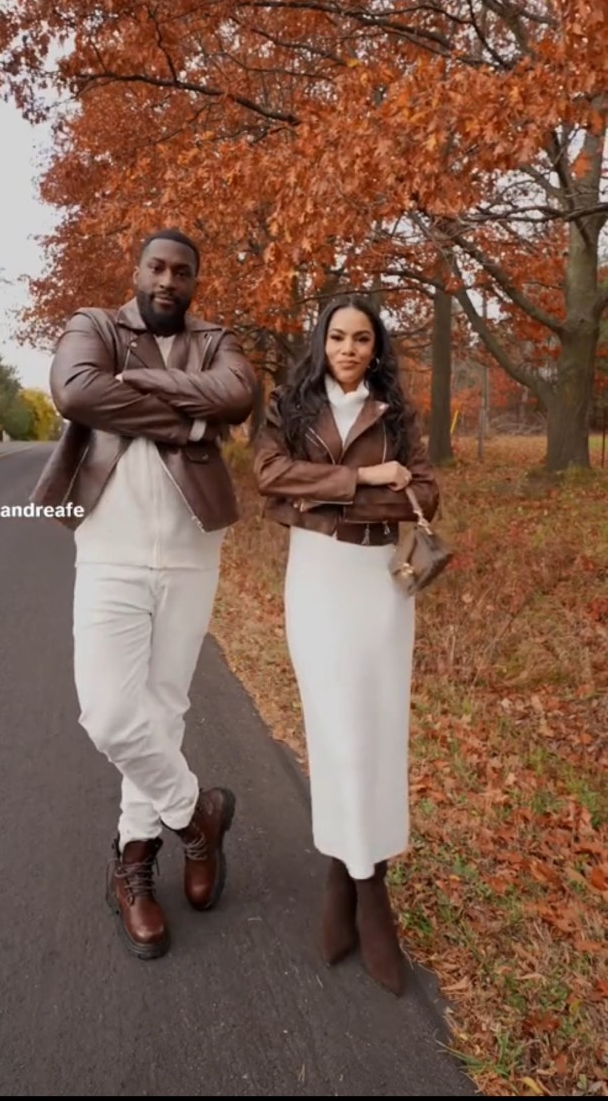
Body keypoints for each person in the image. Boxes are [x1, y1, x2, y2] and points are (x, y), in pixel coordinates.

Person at [45, 228, 257, 960]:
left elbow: (238, 393)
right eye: (157, 267)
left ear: (196, 281)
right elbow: (76, 390)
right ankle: (197, 816)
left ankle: (133, 863)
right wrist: (193, 420)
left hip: (194, 547)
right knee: (108, 712)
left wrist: (141, 387)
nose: (169, 280)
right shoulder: (93, 326)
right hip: (110, 547)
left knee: (163, 709)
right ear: (136, 270)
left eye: (183, 272)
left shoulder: (216, 338)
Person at [253, 294, 440, 996]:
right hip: (319, 580)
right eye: (339, 336)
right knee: (334, 732)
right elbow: (268, 478)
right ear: (322, 341)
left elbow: (426, 493)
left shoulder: (396, 411)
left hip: (381, 584)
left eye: (363, 338)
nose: (350, 348)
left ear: (377, 347)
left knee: (380, 733)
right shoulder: (291, 407)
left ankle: (354, 876)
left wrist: (322, 497)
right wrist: (363, 478)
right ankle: (365, 897)